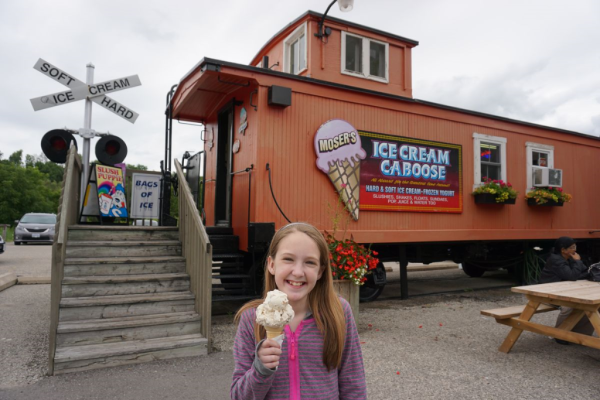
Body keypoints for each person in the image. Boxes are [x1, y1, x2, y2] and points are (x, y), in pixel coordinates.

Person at [231, 222, 367, 399]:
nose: (297, 272)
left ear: (320, 271)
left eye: (310, 262)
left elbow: (353, 383)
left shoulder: (338, 312)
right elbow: (239, 396)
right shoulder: (252, 319)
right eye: (288, 259)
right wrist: (260, 370)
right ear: (271, 264)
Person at [539, 236, 593, 344]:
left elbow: (584, 272)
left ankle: (579, 334)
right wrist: (578, 262)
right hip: (547, 292)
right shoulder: (556, 260)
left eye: (575, 246)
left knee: (592, 307)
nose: (575, 250)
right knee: (569, 306)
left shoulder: (569, 258)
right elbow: (572, 276)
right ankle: (560, 335)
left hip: (563, 290)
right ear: (563, 250)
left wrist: (578, 267)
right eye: (572, 247)